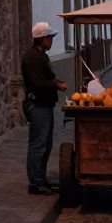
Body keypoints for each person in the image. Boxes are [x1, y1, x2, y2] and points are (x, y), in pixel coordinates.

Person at [21, 22, 67, 195]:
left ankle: (42, 179)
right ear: (42, 38)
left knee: (45, 145)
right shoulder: (32, 57)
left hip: (45, 105)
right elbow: (36, 83)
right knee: (38, 145)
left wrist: (55, 82)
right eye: (49, 37)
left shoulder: (41, 56)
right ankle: (35, 183)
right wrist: (56, 85)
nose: (52, 40)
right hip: (38, 105)